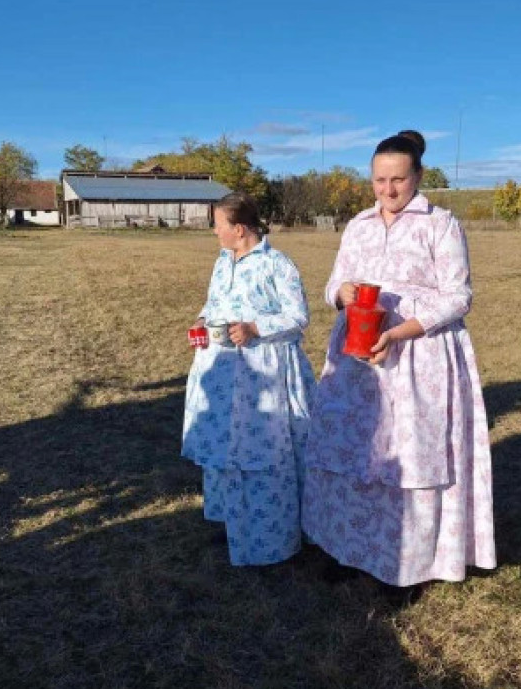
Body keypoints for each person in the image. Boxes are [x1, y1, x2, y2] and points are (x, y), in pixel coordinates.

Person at [302, 130, 495, 586]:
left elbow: (458, 297)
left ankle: (406, 567)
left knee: (410, 457)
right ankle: (345, 547)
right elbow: (333, 285)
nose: (388, 191)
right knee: (352, 447)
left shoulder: (440, 224)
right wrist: (341, 294)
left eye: (398, 180)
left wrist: (399, 331)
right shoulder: (358, 226)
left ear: (419, 176)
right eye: (379, 180)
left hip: (418, 356)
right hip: (356, 356)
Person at [182, 191, 316, 566]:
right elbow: (214, 302)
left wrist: (256, 327)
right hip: (223, 371)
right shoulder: (223, 262)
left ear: (238, 228)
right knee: (226, 446)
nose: (214, 232)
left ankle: (272, 539)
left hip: (263, 372)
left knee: (265, 452)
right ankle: (231, 522)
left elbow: (298, 316)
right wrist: (202, 319)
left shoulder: (278, 265)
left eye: (217, 225)